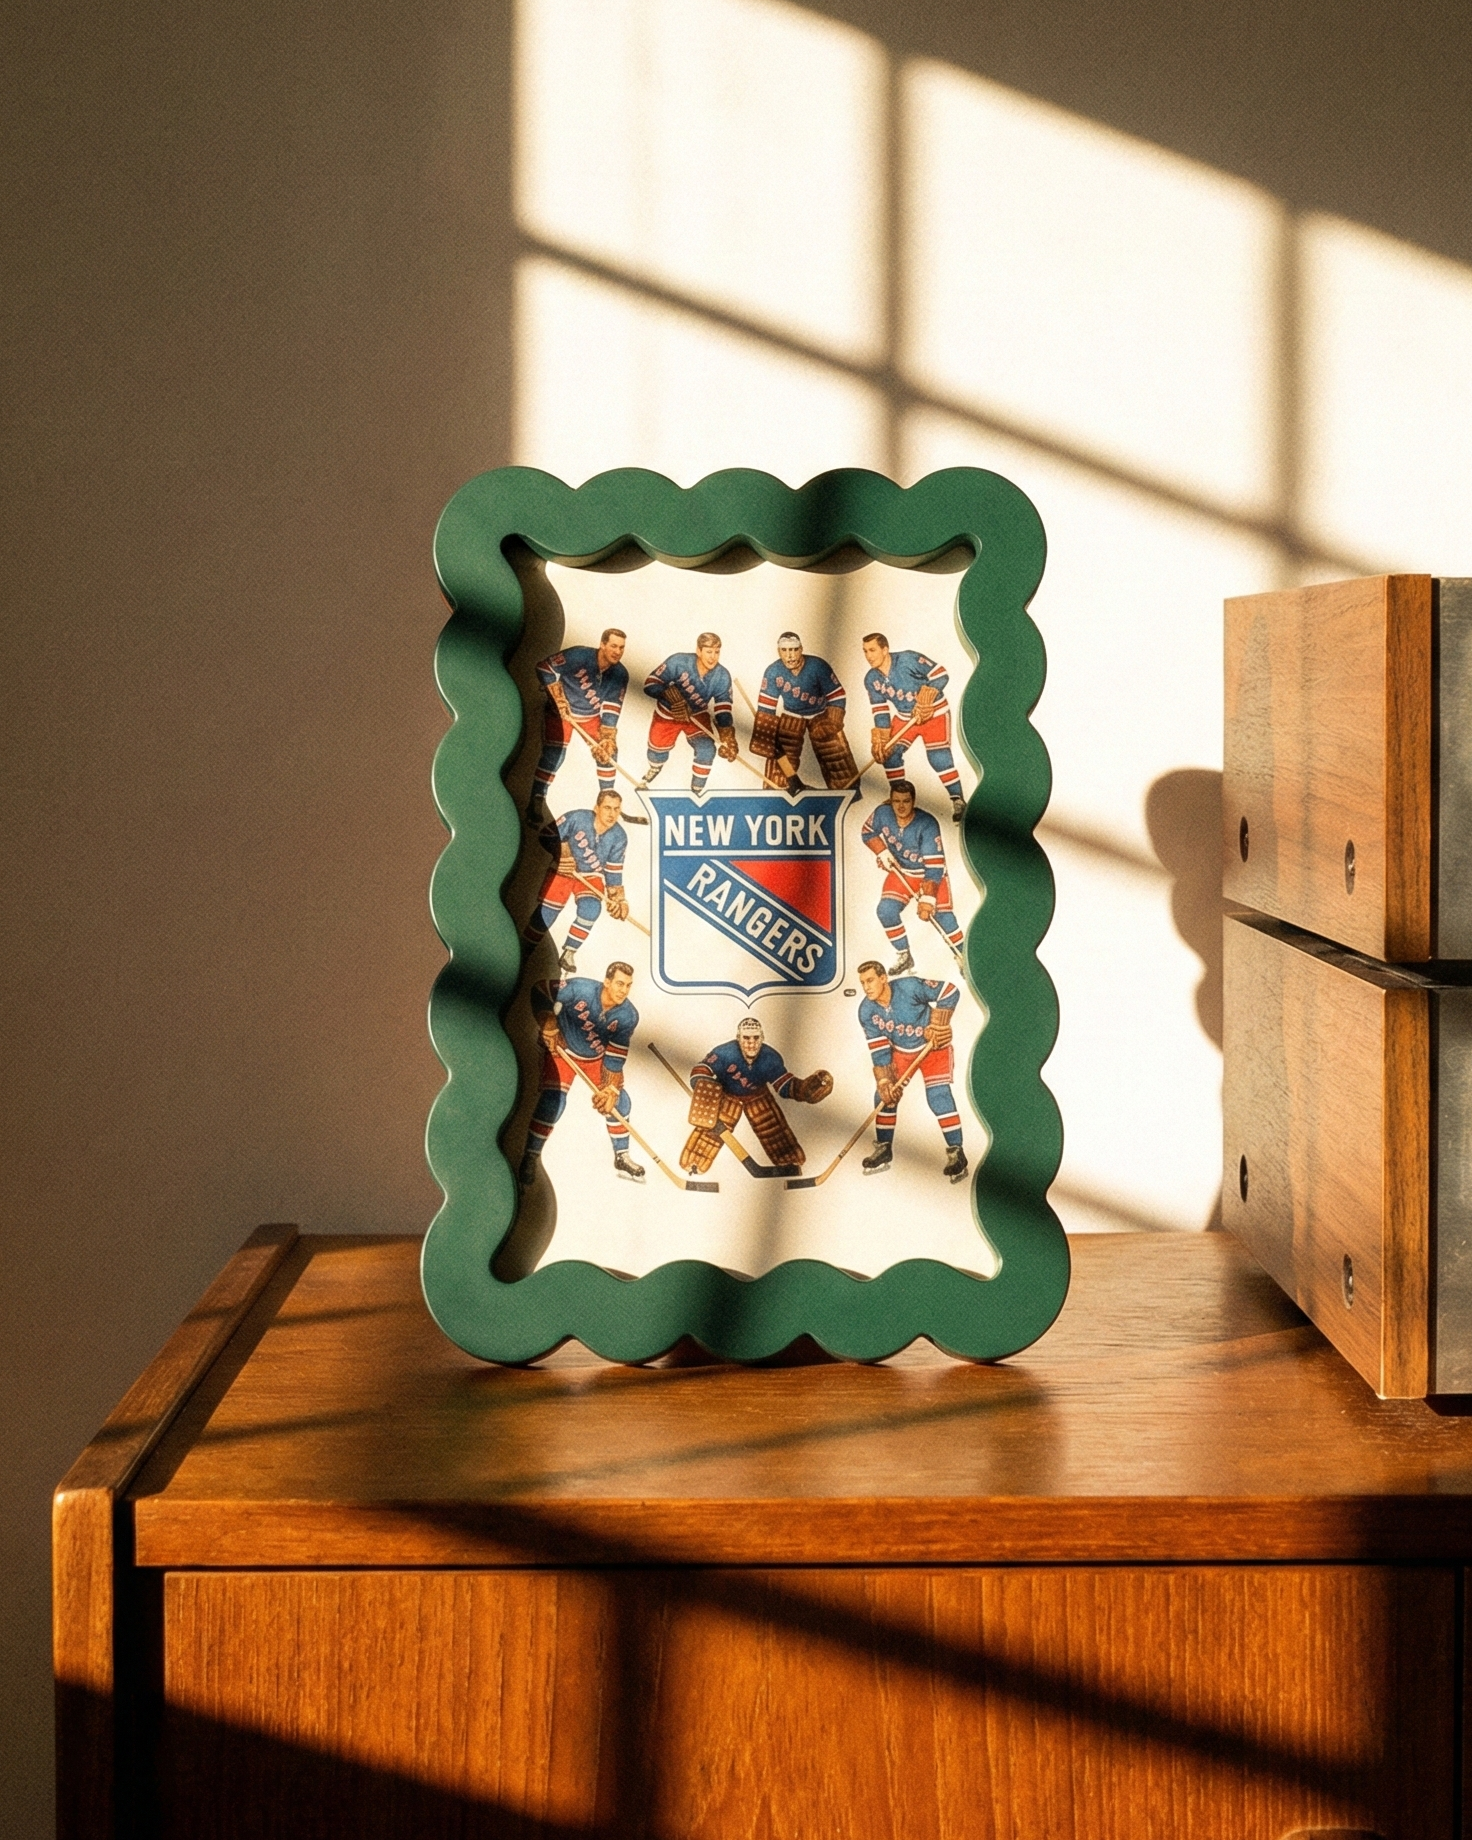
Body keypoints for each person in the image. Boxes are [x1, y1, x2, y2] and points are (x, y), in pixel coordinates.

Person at [519, 961, 644, 1186]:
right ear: (607, 981)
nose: (623, 990)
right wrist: (548, 1023)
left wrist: (611, 1088)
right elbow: (540, 989)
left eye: (628, 985)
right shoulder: (580, 988)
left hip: (595, 1059)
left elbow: (615, 1055)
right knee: (553, 1101)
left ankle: (621, 1156)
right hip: (562, 1048)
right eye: (619, 983)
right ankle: (531, 1154)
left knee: (620, 1102)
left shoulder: (628, 1015)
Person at [855, 960, 967, 1181]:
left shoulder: (909, 986)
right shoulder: (867, 1011)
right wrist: (885, 1081)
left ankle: (957, 1152)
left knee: (938, 1097)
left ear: (883, 978)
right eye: (862, 983)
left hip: (932, 1048)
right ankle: (884, 1148)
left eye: (870, 980)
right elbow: (879, 1050)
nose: (866, 987)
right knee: (884, 1096)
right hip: (902, 1053)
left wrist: (939, 1024)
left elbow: (949, 991)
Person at [680, 1016, 831, 1173]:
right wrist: (704, 1085)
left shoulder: (771, 1057)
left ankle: (789, 1164)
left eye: (755, 1038)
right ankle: (694, 1164)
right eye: (746, 1038)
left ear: (762, 1038)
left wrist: (804, 1090)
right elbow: (703, 1068)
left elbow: (783, 1085)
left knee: (773, 1130)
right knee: (711, 1129)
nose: (751, 1042)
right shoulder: (724, 1052)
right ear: (738, 1038)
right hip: (727, 1095)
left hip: (758, 1097)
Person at [861, 780, 964, 973]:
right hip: (904, 873)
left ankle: (963, 957)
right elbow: (867, 831)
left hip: (929, 875)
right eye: (896, 801)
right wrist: (881, 851)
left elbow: (934, 866)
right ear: (891, 800)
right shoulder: (883, 814)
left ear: (913, 801)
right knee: (886, 911)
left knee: (944, 918)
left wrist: (928, 898)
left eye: (906, 801)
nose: (900, 806)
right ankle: (904, 955)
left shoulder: (926, 824)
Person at [527, 628, 629, 823]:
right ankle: (537, 798)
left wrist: (607, 737)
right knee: (554, 754)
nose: (617, 651)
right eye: (613, 646)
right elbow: (544, 667)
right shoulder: (578, 655)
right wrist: (557, 697)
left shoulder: (620, 674)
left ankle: (607, 801)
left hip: (589, 717)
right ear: (603, 644)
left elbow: (612, 707)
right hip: (561, 714)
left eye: (621, 648)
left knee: (608, 753)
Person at [861, 632, 965, 821]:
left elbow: (940, 673)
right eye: (865, 651)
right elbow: (880, 709)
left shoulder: (908, 659)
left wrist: (930, 693)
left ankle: (957, 799)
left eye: (873, 650)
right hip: (905, 716)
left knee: (938, 757)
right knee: (889, 753)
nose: (869, 656)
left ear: (885, 650)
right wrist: (883, 737)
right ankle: (898, 797)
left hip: (933, 713)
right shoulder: (871, 679)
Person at [520, 790, 628, 971]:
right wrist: (560, 851)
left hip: (590, 875)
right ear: (597, 808)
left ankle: (569, 952)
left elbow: (613, 870)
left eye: (616, 809)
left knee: (591, 909)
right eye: (607, 808)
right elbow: (545, 835)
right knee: (547, 913)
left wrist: (618, 899)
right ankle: (524, 949)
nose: (612, 814)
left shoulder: (620, 836)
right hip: (564, 869)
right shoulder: (577, 817)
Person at [750, 632, 855, 790]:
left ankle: (847, 790)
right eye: (784, 651)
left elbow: (837, 695)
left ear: (801, 649)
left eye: (793, 650)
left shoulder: (818, 666)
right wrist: (766, 734)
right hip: (792, 714)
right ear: (779, 652)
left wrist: (833, 720)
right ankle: (778, 791)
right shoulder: (773, 671)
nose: (790, 656)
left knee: (834, 753)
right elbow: (766, 706)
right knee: (781, 753)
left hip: (819, 714)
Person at [637, 632, 738, 794]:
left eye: (716, 652)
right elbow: (650, 683)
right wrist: (669, 695)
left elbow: (723, 708)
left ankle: (696, 791)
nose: (713, 657)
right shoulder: (678, 661)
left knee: (707, 749)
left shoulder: (722, 675)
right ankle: (655, 768)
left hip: (696, 714)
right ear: (698, 651)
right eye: (708, 651)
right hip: (668, 714)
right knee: (656, 752)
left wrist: (727, 735)